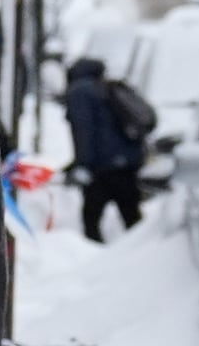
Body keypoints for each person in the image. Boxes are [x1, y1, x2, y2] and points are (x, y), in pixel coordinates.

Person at [60, 54, 150, 243]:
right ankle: (140, 256)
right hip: (126, 163)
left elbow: (84, 131)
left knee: (91, 218)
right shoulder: (106, 87)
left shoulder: (79, 92)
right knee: (132, 216)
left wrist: (82, 164)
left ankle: (98, 263)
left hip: (102, 166)